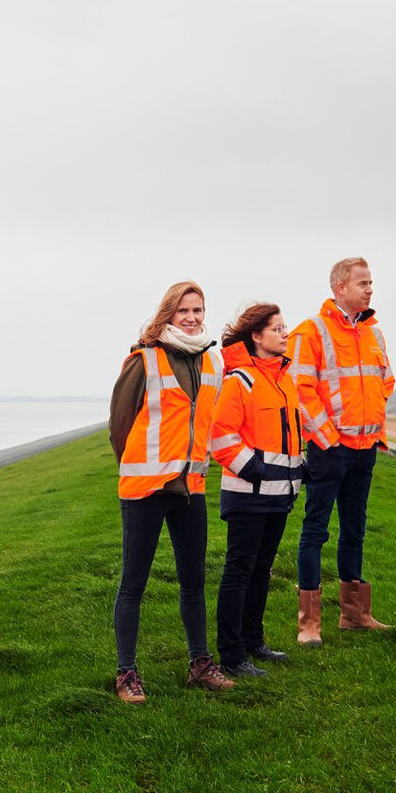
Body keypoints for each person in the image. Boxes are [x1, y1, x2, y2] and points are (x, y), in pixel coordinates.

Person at [109, 280, 233, 703]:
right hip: (145, 489)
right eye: (184, 311)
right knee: (133, 584)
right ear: (168, 314)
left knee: (193, 581)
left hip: (191, 488)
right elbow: (119, 426)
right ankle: (127, 673)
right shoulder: (143, 360)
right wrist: (138, 468)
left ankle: (201, 664)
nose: (193, 317)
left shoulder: (212, 362)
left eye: (198, 310)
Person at [287, 257, 395, 641]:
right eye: (363, 283)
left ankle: (355, 614)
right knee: (315, 531)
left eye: (371, 282)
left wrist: (374, 430)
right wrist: (328, 437)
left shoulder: (374, 334)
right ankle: (309, 623)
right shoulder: (310, 332)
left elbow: (385, 381)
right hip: (329, 449)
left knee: (355, 529)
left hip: (365, 448)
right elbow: (299, 391)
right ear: (340, 288)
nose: (370, 289)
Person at [208, 302, 305, 676]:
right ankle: (231, 656)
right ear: (256, 336)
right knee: (240, 571)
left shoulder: (283, 379)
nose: (285, 334)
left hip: (279, 497)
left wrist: (302, 470)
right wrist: (258, 471)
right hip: (249, 495)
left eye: (285, 328)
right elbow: (222, 438)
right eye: (278, 329)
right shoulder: (240, 381)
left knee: (261, 571)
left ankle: (253, 641)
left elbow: (288, 436)